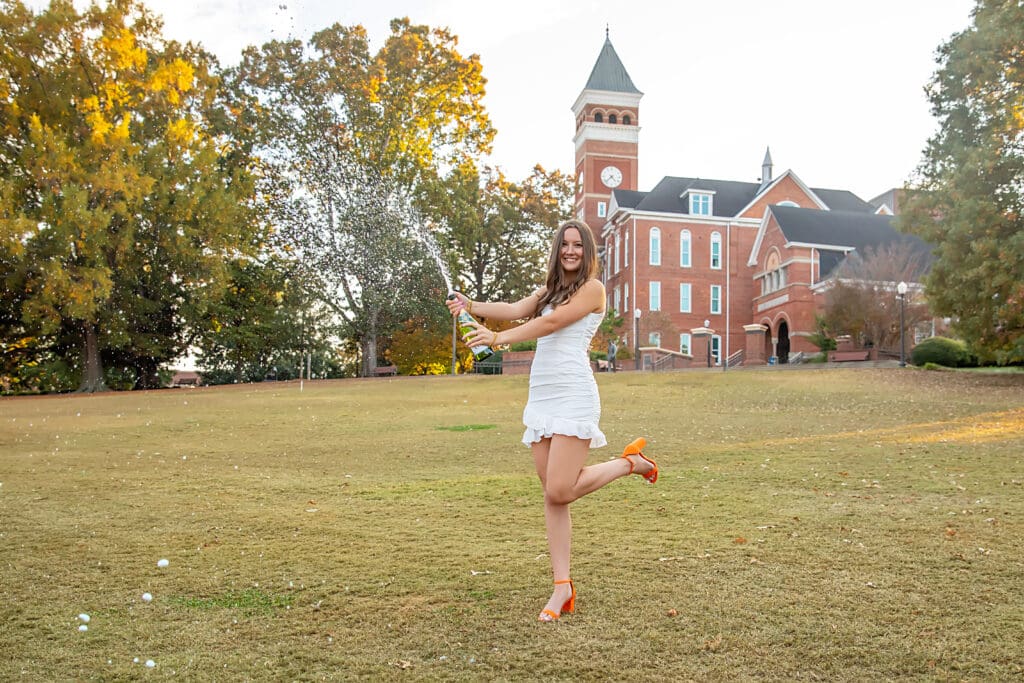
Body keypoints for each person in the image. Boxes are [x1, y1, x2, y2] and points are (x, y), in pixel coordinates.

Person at [447, 219, 658, 623]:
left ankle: (631, 464)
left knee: (561, 489)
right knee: (552, 495)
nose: (570, 251)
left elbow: (550, 324)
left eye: (578, 245)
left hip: (574, 393)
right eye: (565, 244)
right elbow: (514, 310)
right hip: (542, 394)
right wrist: (471, 306)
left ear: (587, 250)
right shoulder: (550, 291)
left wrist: (496, 338)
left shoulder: (593, 290)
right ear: (557, 250)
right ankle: (562, 586)